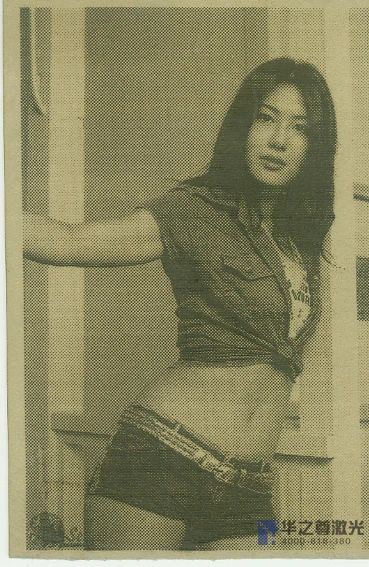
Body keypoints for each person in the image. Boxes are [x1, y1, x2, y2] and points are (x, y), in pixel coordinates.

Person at [23, 57, 337, 550]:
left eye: (299, 128)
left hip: (249, 487)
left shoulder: (300, 243)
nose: (279, 140)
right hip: (162, 459)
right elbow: (68, 240)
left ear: (314, 148)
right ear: (243, 126)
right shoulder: (195, 210)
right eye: (266, 118)